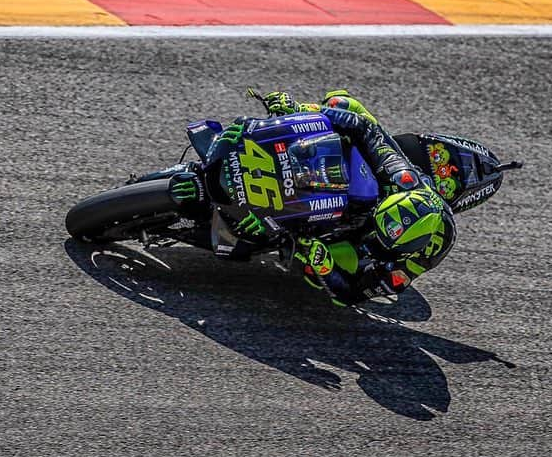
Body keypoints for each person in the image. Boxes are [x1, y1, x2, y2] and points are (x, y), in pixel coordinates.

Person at [174, 89, 456, 306]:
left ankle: (287, 237)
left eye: (384, 236)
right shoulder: (400, 176)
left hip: (357, 238)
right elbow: (362, 127)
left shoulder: (415, 261)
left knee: (322, 267)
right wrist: (297, 109)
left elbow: (352, 295)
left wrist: (327, 269)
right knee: (340, 103)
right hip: (357, 179)